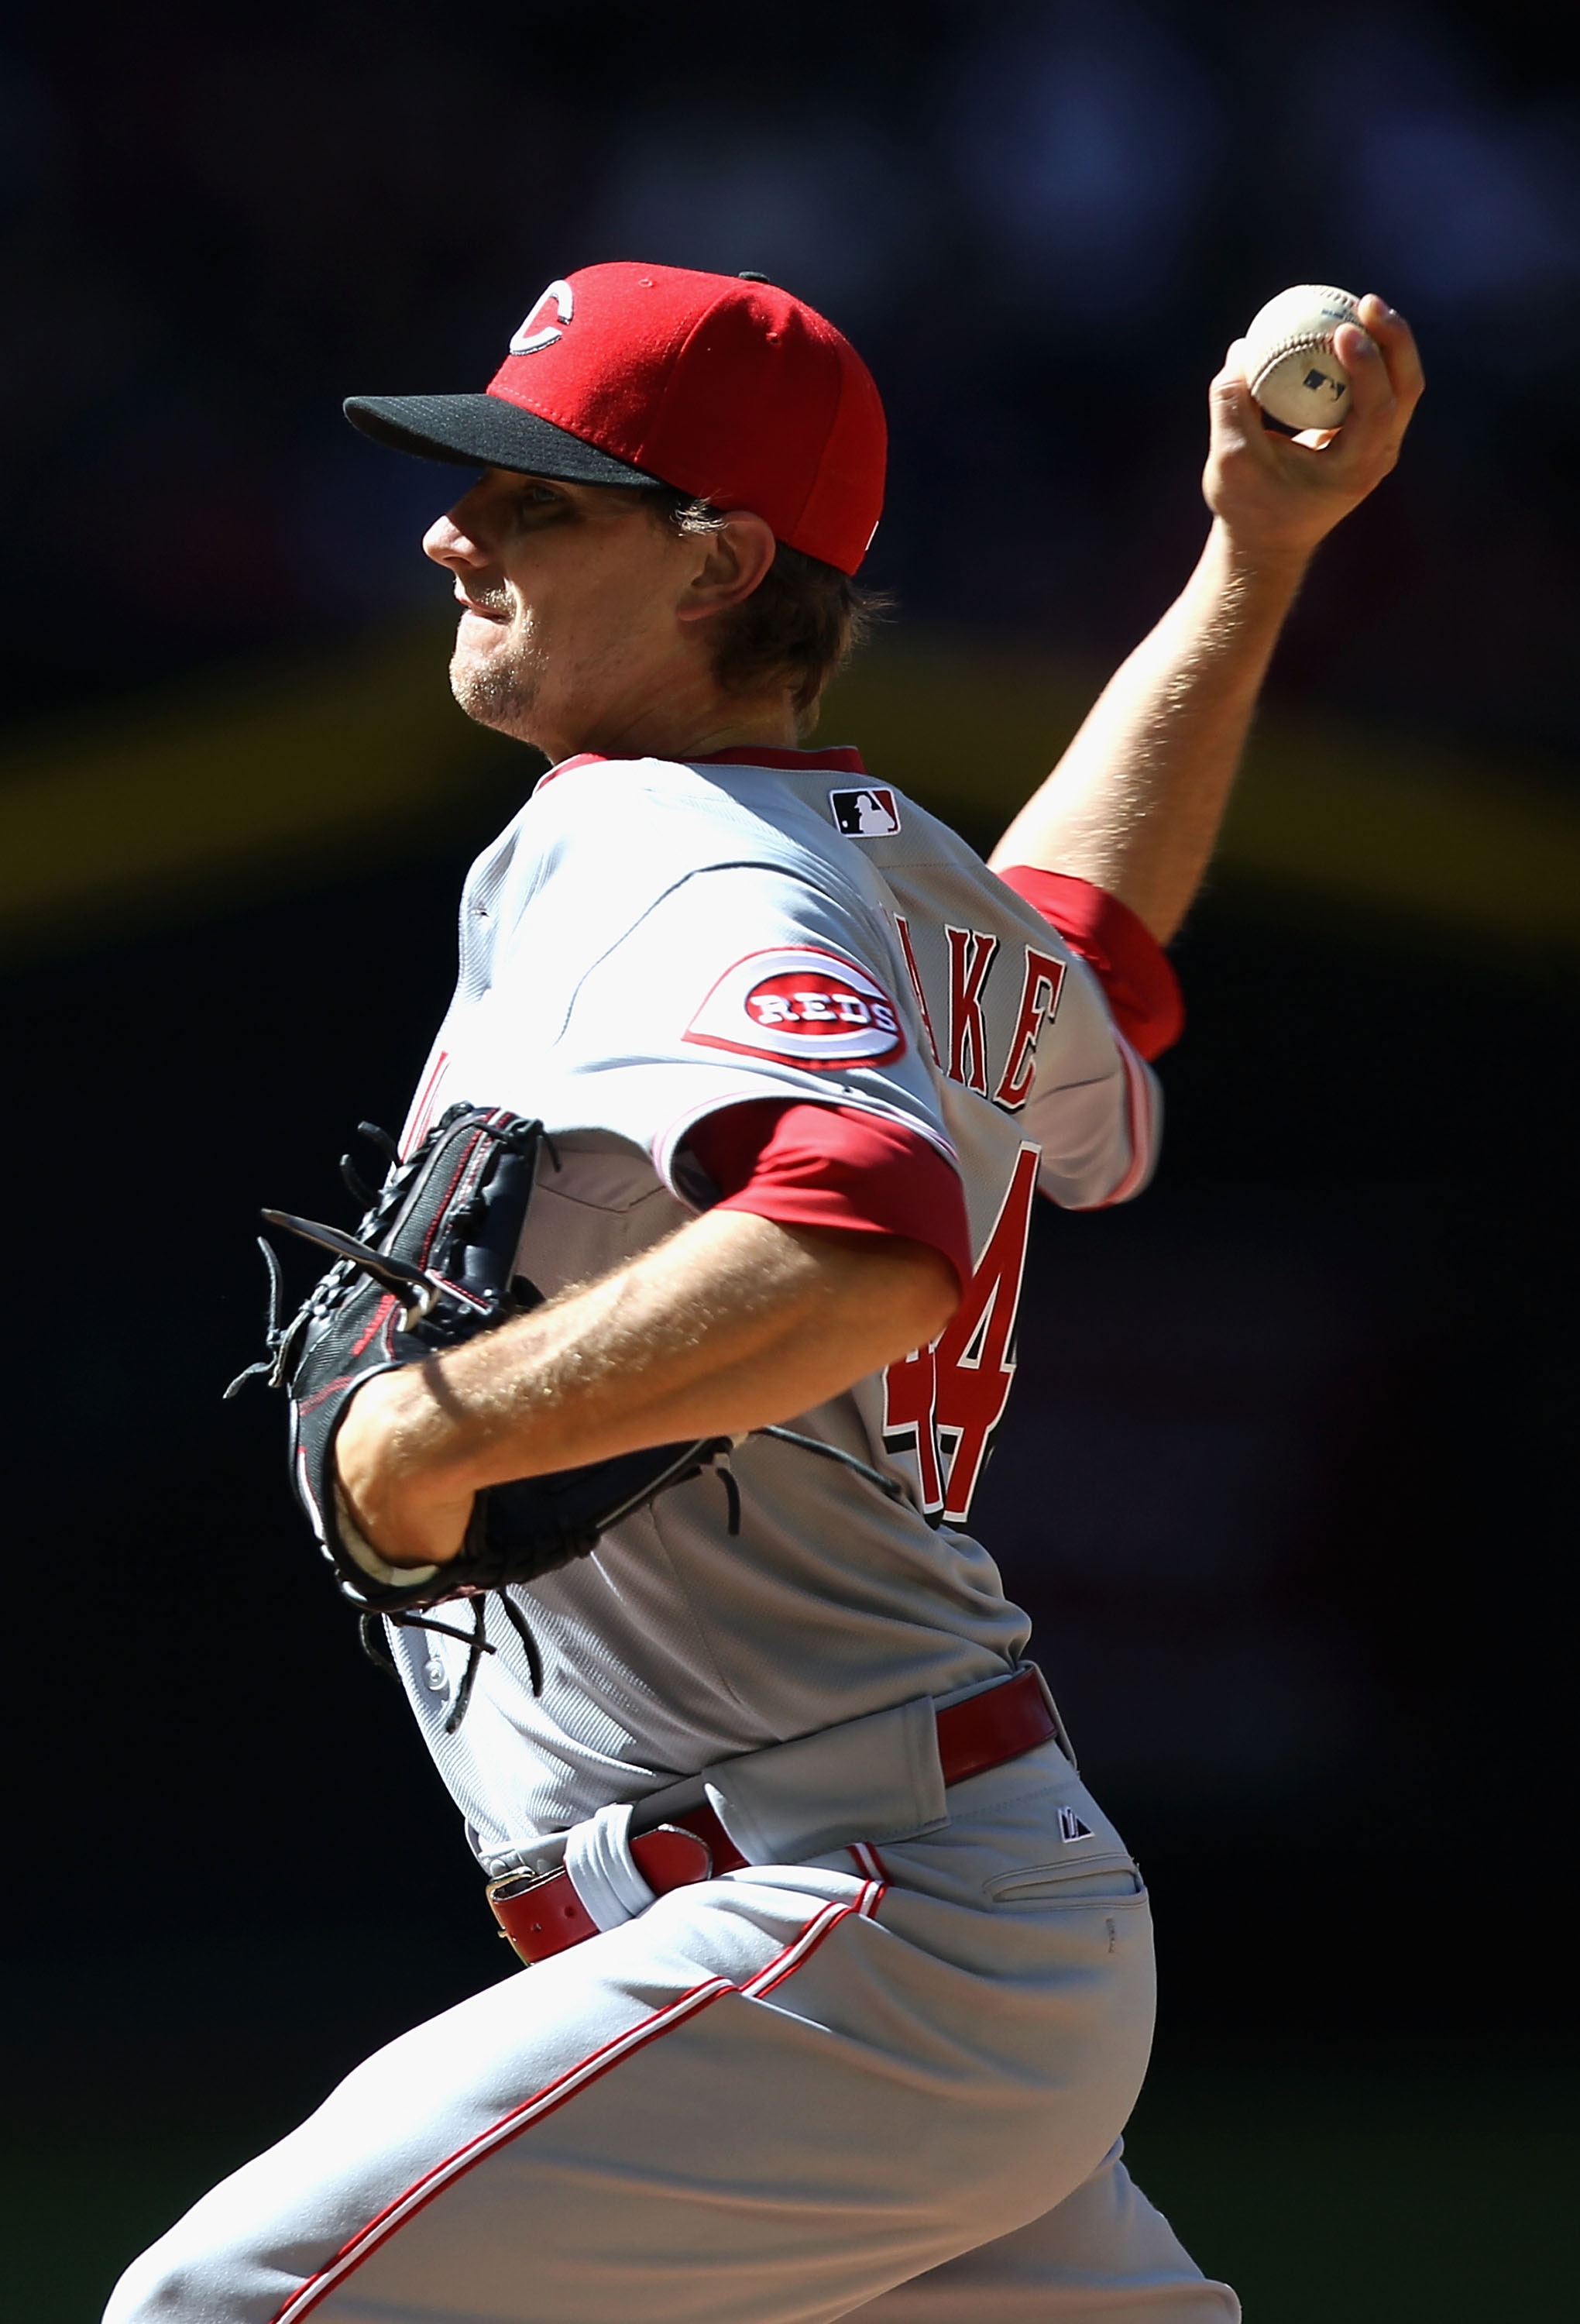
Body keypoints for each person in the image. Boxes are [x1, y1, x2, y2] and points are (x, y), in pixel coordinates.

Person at [107, 262, 1420, 2324]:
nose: (457, 530)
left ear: (715, 559)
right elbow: (1091, 945)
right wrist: (1254, 555)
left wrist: (433, 1433)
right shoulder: (870, 869)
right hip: (936, 1917)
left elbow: (860, 1241)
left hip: (848, 1915)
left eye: (538, 501)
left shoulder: (660, 848)